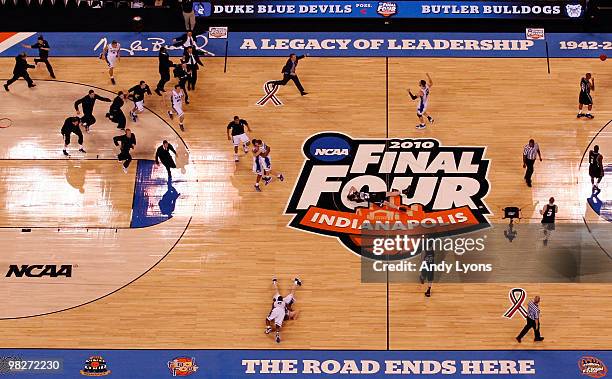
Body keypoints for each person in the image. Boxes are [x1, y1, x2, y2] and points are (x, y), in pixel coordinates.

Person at [265, 277, 302, 344]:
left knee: (268, 319)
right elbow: (288, 307)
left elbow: (272, 308)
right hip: (282, 311)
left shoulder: (276, 300)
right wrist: (290, 310)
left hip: (278, 310)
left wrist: (274, 282)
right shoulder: (285, 302)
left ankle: (268, 328)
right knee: (292, 293)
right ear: (282, 299)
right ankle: (277, 334)